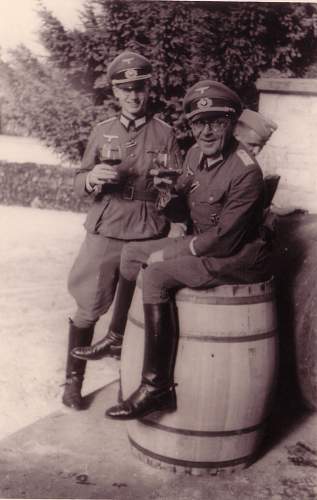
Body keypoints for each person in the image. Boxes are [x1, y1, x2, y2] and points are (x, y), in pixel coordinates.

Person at [101, 80, 273, 420]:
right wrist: (167, 193)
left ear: (230, 124)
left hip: (237, 256)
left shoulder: (246, 171)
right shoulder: (194, 154)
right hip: (207, 242)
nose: (205, 132)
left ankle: (157, 387)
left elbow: (225, 241)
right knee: (132, 255)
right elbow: (182, 209)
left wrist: (170, 254)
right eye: (198, 123)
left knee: (155, 277)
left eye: (215, 122)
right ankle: (116, 335)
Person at [62, 50, 181, 411]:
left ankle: (130, 385)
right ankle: (73, 380)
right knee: (88, 303)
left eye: (140, 88)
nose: (133, 95)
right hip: (108, 224)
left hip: (146, 229)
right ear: (115, 92)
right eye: (126, 89)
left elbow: (175, 190)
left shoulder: (166, 133)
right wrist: (92, 178)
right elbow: (79, 179)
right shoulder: (101, 132)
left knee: (140, 314)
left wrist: (168, 191)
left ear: (149, 90)